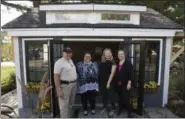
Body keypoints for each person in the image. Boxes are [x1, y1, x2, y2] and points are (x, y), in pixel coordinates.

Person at [54, 47, 77, 118]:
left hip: (73, 85)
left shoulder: (70, 60)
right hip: (65, 86)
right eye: (67, 53)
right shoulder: (59, 62)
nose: (69, 54)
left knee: (71, 103)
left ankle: (69, 117)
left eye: (70, 53)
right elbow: (56, 77)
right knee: (64, 106)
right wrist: (58, 90)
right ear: (63, 53)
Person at [114, 49, 133, 118]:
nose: (120, 55)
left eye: (122, 54)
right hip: (119, 84)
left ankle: (129, 113)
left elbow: (131, 74)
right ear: (118, 56)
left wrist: (129, 83)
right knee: (120, 99)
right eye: (119, 54)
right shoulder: (118, 62)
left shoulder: (128, 63)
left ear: (124, 55)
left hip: (125, 84)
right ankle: (119, 110)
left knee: (126, 99)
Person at [99, 48, 117, 117]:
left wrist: (108, 83)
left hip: (110, 82)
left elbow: (112, 73)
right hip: (102, 82)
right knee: (104, 96)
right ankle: (105, 107)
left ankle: (113, 108)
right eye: (106, 53)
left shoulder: (113, 62)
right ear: (104, 54)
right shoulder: (102, 62)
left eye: (109, 53)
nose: (107, 54)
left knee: (111, 96)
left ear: (111, 54)